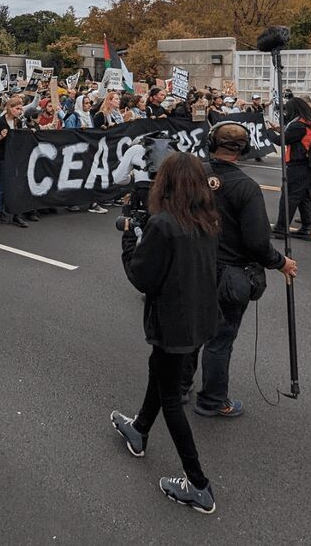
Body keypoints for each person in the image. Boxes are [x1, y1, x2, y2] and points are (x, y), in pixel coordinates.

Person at [111, 153, 222, 514]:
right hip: (199, 318)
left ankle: (198, 484)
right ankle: (139, 429)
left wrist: (129, 241)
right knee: (160, 373)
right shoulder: (207, 217)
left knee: (171, 397)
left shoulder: (164, 223)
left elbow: (142, 276)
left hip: (173, 322)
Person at [180, 122, 297, 417]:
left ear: (211, 143)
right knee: (220, 339)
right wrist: (281, 262)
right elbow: (258, 242)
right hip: (229, 275)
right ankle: (212, 400)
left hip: (193, 268)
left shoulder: (193, 175)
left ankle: (180, 387)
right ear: (243, 149)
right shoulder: (246, 187)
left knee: (192, 332)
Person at [272, 98, 311, 241]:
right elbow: (296, 136)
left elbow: (283, 140)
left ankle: (281, 229)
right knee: (304, 197)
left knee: (289, 196)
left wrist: (268, 133)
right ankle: (306, 229)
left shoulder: (298, 125)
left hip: (298, 163)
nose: (286, 112)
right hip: (310, 163)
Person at [0, 95, 27, 227]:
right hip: (2, 157)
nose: (19, 111)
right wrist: (1, 136)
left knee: (15, 184)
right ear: (10, 108)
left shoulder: (19, 122)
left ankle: (14, 212)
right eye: (17, 108)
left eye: (21, 108)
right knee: (1, 184)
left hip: (14, 157)